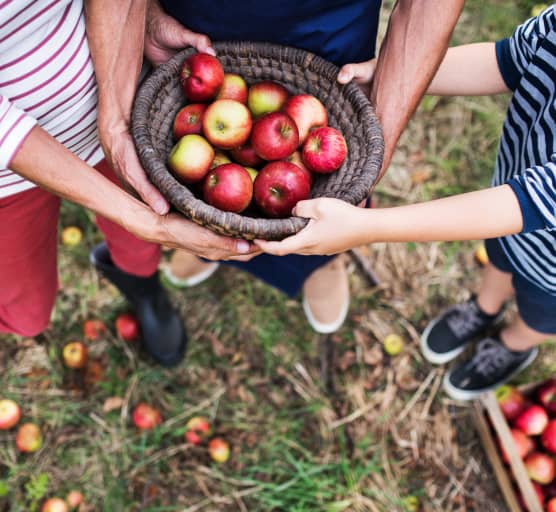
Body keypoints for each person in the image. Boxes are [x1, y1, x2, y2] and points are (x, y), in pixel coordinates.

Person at [255, 6, 556, 400]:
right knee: (500, 259)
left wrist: (366, 227)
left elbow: (531, 202)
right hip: (511, 216)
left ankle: (515, 345)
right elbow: (506, 61)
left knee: (540, 311)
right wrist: (386, 71)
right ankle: (484, 308)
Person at [139, 0, 464, 334]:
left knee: (324, 205)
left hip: (327, 35)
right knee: (210, 208)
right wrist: (147, 12)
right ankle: (210, 252)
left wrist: (382, 131)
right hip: (200, 33)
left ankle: (320, 265)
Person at [0, 0, 256, 366]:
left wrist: (144, 16)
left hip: (117, 103)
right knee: (27, 314)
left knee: (139, 250)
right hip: (6, 178)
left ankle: (144, 288)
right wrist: (145, 221)